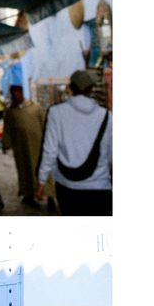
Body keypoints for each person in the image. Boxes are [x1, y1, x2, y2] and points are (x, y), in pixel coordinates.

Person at [36, 69, 112, 216]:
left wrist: (41, 182)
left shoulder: (55, 113)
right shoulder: (107, 116)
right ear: (91, 89)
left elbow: (50, 151)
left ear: (70, 88)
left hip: (67, 187)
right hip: (100, 187)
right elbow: (112, 154)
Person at [1, 85, 49, 207]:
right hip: (21, 147)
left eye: (18, 92)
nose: (16, 95)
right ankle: (28, 195)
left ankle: (50, 196)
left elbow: (44, 124)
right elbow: (7, 129)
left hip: (37, 145)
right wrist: (6, 143)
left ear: (22, 92)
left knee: (43, 170)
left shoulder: (36, 108)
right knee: (25, 170)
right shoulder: (11, 112)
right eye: (14, 93)